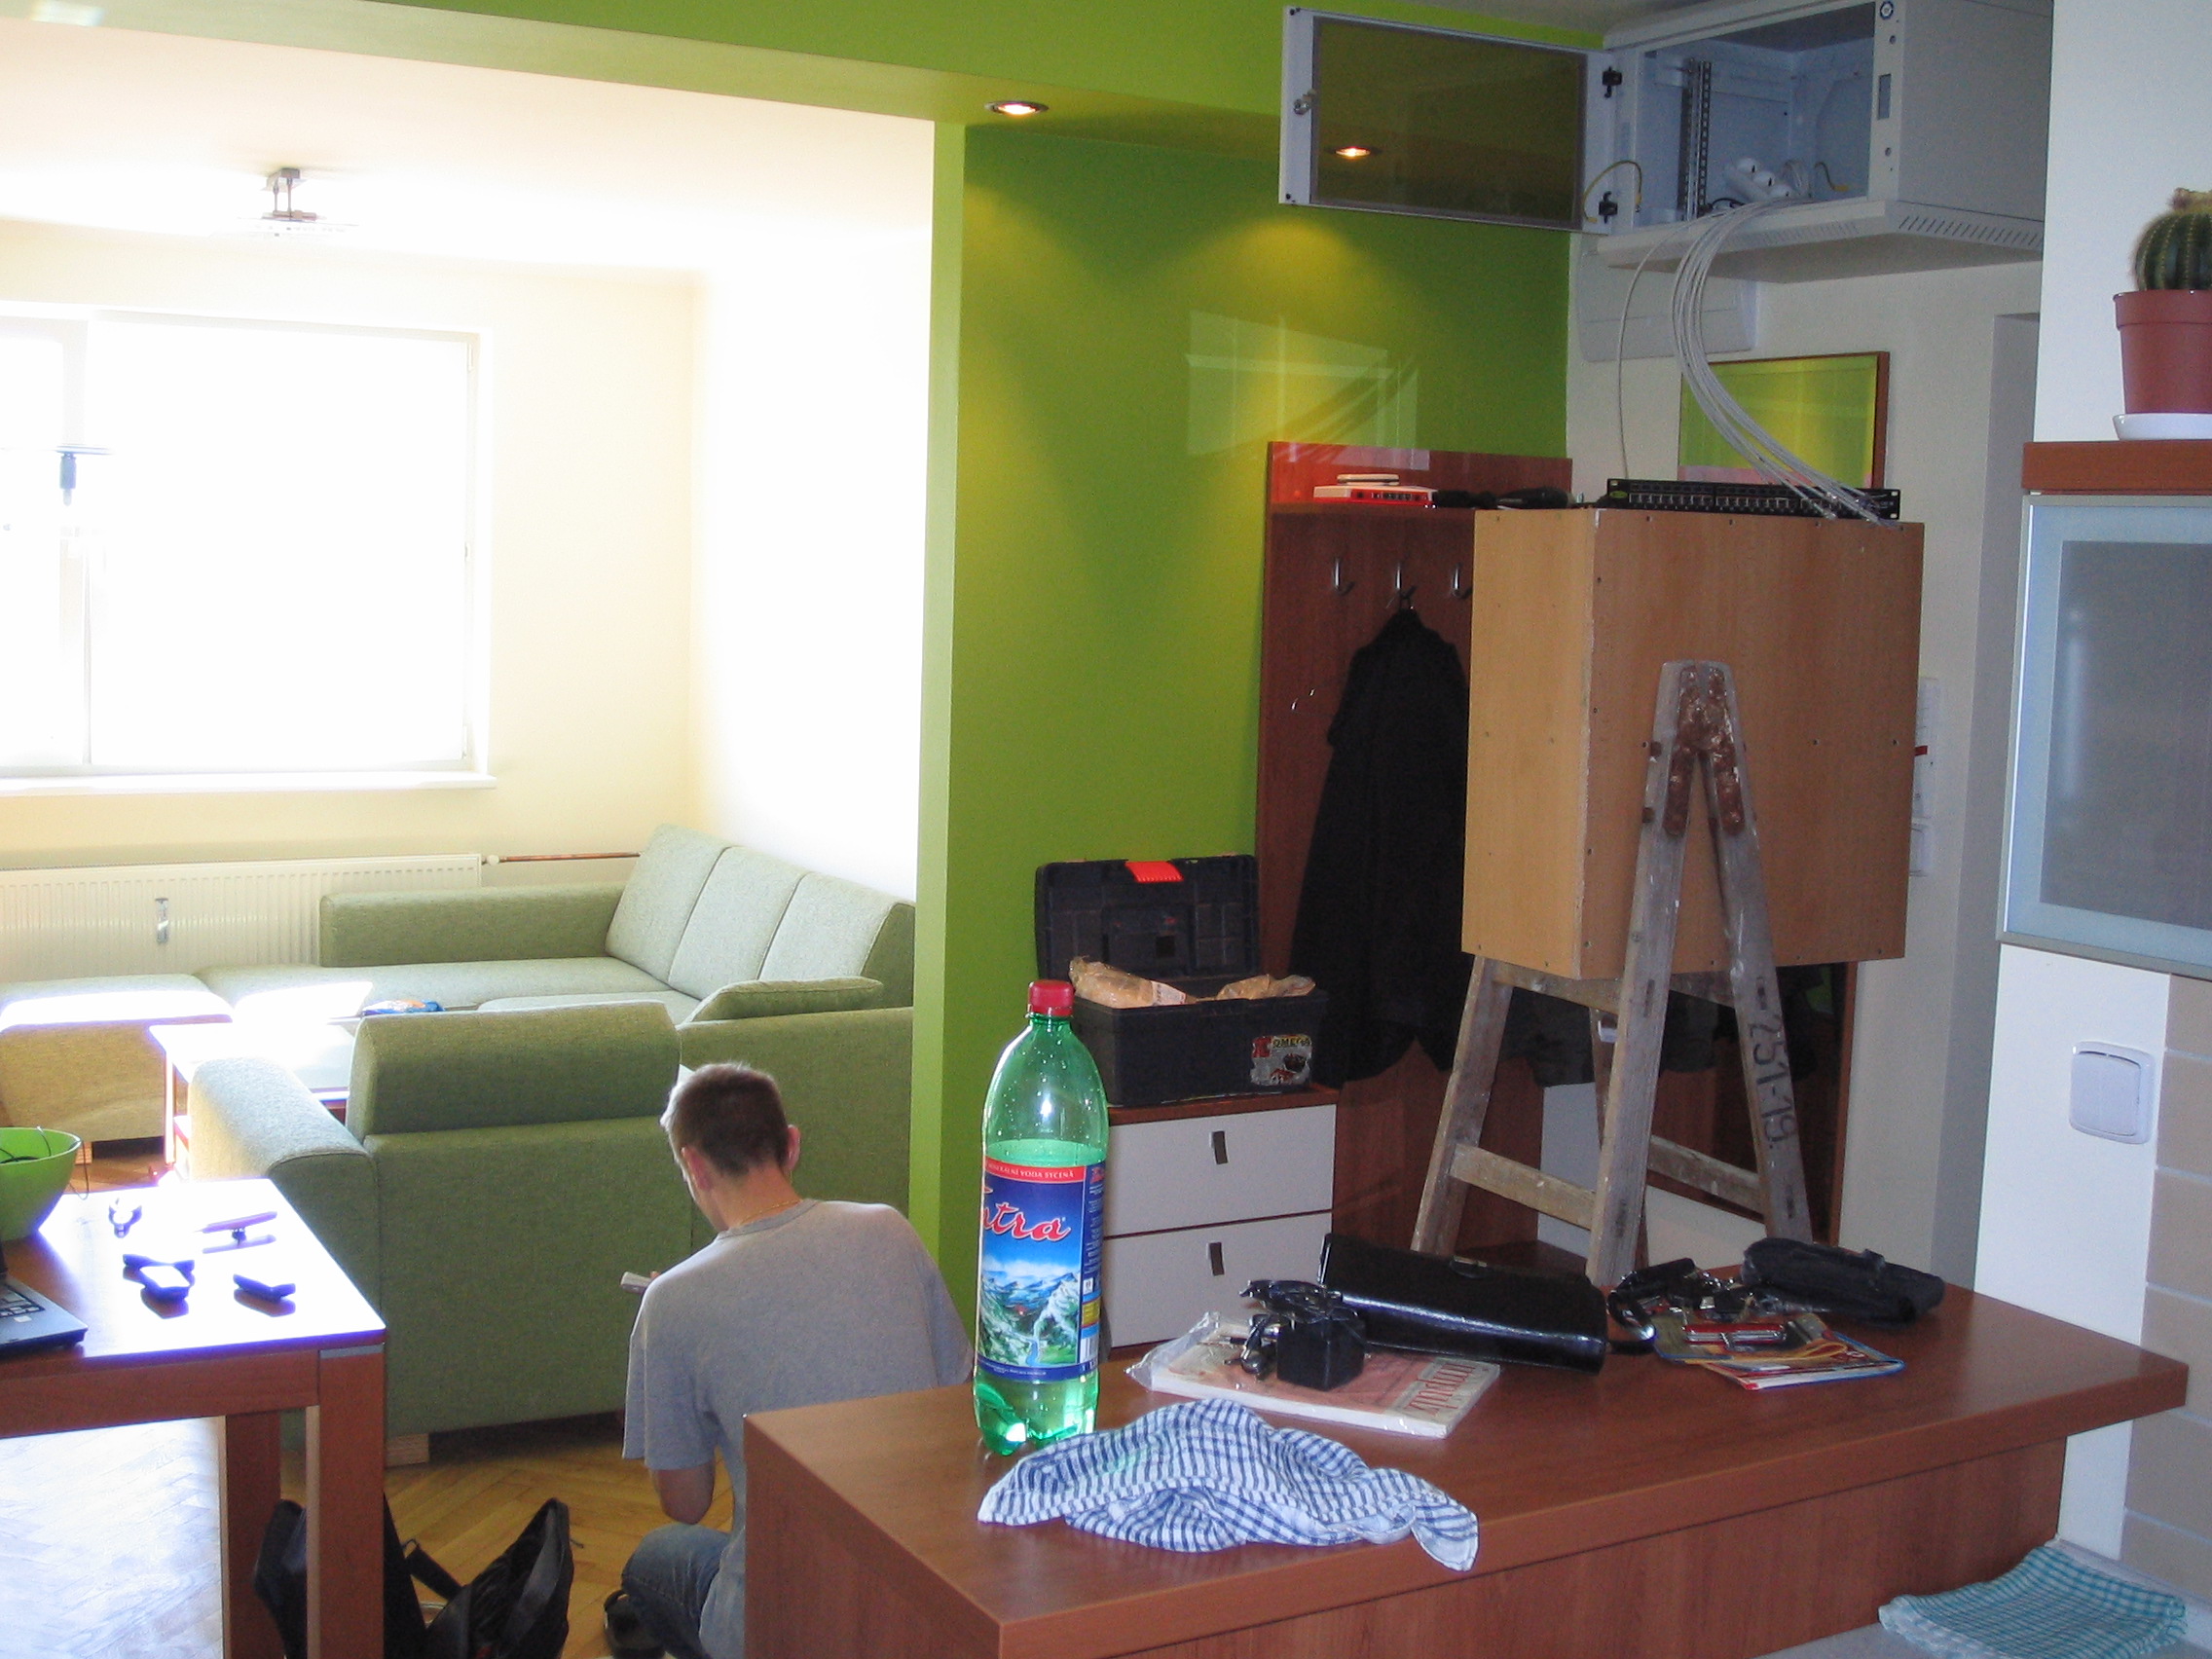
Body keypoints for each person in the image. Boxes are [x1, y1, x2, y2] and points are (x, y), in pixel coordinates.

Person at [614, 1063, 971, 1659]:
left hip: (784, 1619)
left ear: (695, 1166)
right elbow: (956, 1394)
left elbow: (686, 1503)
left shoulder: (671, 1301)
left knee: (655, 1558)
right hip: (923, 1595)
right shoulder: (890, 1230)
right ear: (792, 1145)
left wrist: (674, 1361)